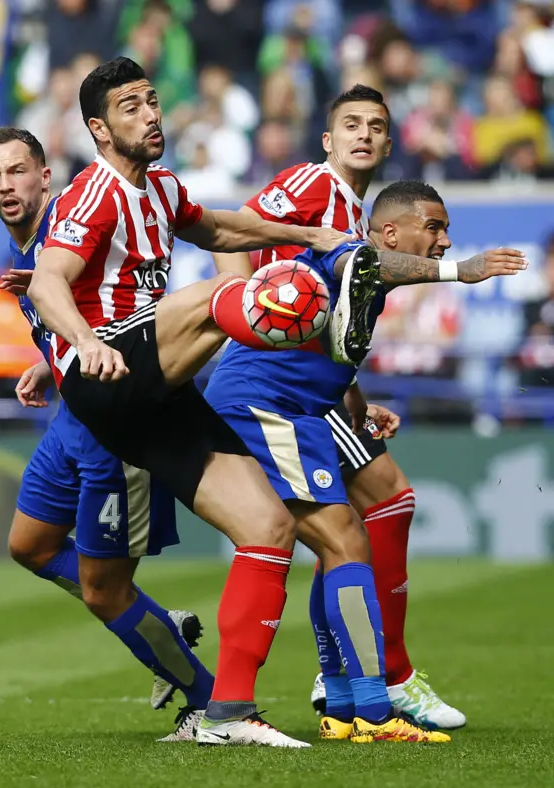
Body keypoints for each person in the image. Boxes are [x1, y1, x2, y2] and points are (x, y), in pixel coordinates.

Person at [26, 56, 350, 747]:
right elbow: (47, 279)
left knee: (269, 527)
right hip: (107, 374)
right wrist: (82, 340)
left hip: (159, 388)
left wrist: (307, 235)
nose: (151, 115)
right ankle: (302, 318)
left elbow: (220, 230)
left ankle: (227, 713)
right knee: (214, 295)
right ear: (99, 129)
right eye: (132, 107)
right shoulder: (94, 194)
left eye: (152, 101)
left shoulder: (163, 188)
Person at [208, 85, 526, 738]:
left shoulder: (352, 216)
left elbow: (335, 320)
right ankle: (370, 694)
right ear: (328, 139)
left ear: (388, 141)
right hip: (269, 390)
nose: (362, 134)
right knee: (336, 537)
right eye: (349, 123)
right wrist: (237, 303)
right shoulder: (314, 186)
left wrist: (353, 399)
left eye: (375, 126)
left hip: (313, 397)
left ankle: (351, 692)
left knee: (373, 515)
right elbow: (229, 227)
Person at [0, 126, 217, 739]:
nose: (8, 184)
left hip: (114, 429)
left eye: (18, 171)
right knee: (28, 546)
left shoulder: (70, 224)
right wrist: (49, 360)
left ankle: (206, 700)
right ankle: (160, 621)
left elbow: (125, 304)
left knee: (104, 593)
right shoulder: (26, 251)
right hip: (70, 421)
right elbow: (81, 312)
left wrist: (80, 341)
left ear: (45, 176)